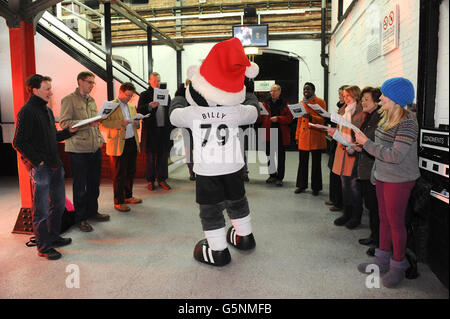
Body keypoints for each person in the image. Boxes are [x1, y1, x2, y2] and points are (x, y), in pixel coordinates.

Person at [170, 37, 259, 267]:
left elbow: (173, 114)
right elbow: (254, 112)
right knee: (237, 201)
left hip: (207, 170)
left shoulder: (192, 112)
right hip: (233, 166)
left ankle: (218, 250)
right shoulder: (236, 111)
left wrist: (180, 94)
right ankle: (245, 236)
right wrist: (248, 91)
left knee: (211, 210)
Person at [356, 77, 419, 288]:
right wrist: (375, 171)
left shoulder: (408, 122)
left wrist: (366, 144)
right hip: (383, 177)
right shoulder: (386, 116)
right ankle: (381, 261)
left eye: (384, 94)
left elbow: (395, 155)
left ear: (396, 98)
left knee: (395, 223)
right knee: (384, 220)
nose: (380, 97)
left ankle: (397, 266)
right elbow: (381, 150)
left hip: (399, 179)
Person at [13, 74, 77, 260]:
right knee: (41, 209)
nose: (51, 91)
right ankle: (43, 246)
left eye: (50, 88)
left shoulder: (47, 111)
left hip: (55, 165)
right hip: (41, 168)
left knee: (57, 206)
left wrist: (68, 132)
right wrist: (37, 161)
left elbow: (53, 137)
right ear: (35, 90)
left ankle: (54, 237)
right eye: (47, 88)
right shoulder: (27, 111)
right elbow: (18, 142)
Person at [59, 71, 110, 232]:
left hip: (94, 148)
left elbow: (93, 123)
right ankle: (80, 218)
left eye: (93, 83)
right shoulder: (69, 100)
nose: (91, 85)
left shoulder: (92, 101)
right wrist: (87, 123)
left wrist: (100, 138)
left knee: (94, 184)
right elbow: (64, 123)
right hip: (78, 150)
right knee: (80, 186)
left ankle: (92, 212)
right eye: (89, 82)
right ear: (80, 81)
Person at [101, 82, 142, 212]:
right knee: (119, 174)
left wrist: (137, 123)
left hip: (131, 142)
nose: (129, 98)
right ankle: (118, 201)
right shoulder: (111, 105)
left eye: (131, 96)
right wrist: (120, 123)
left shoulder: (131, 106)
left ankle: (128, 196)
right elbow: (103, 122)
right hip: (118, 143)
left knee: (130, 171)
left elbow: (136, 125)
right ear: (120, 92)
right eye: (127, 95)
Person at [329, 85, 367, 229]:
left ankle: (356, 216)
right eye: (344, 96)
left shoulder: (360, 112)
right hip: (342, 149)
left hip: (354, 151)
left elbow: (358, 132)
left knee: (354, 186)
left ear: (356, 96)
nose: (345, 99)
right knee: (344, 184)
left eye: (348, 96)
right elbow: (341, 127)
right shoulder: (345, 109)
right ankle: (347, 213)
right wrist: (334, 131)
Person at [355, 87, 382, 252]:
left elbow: (375, 142)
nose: (363, 102)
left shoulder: (379, 118)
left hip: (374, 169)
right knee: (371, 206)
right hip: (366, 166)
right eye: (362, 99)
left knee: (376, 207)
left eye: (366, 99)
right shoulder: (370, 117)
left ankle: (379, 242)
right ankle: (374, 236)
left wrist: (363, 144)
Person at [137, 72, 172, 191]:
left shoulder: (166, 95)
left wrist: (172, 129)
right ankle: (150, 181)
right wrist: (149, 106)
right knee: (151, 158)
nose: (157, 83)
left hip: (163, 130)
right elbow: (140, 110)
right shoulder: (145, 94)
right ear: (150, 81)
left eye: (159, 80)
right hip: (151, 131)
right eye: (155, 80)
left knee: (163, 157)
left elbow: (169, 112)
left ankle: (162, 179)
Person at [294, 82, 327, 196]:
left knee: (316, 163)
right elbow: (299, 121)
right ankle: (301, 185)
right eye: (304, 89)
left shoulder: (320, 102)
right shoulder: (301, 103)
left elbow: (323, 119)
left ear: (313, 90)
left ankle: (316, 187)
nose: (305, 91)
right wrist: (297, 136)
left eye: (308, 89)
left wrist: (312, 117)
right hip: (304, 135)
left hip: (315, 135)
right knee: (302, 162)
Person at [259, 84, 293, 186]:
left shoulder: (285, 104)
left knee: (281, 157)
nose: (272, 93)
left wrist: (278, 118)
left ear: (279, 92)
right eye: (271, 91)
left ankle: (280, 177)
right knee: (269, 155)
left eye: (274, 91)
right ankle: (272, 175)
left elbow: (289, 118)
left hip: (280, 133)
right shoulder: (265, 104)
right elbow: (261, 118)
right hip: (268, 132)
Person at [325, 85, 346, 211]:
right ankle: (334, 198)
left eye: (341, 94)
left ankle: (339, 201)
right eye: (339, 94)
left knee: (338, 174)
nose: (339, 96)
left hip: (342, 143)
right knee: (333, 171)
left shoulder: (347, 109)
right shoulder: (341, 108)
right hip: (336, 141)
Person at [175, 79, 196, 181]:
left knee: (196, 149)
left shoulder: (197, 94)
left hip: (196, 125)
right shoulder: (182, 95)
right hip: (187, 126)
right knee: (188, 150)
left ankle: (197, 170)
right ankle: (191, 171)